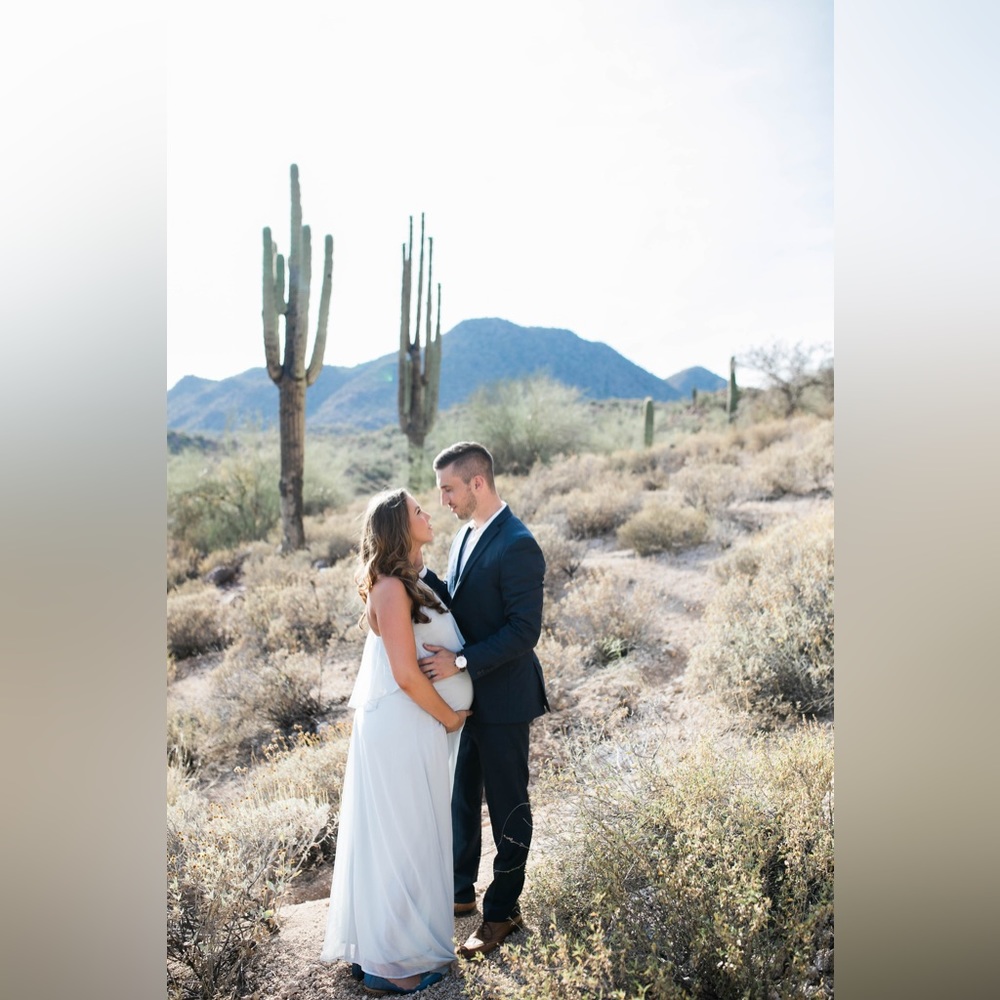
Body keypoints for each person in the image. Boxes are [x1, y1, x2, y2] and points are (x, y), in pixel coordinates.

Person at [320, 488, 473, 996]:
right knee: (403, 840)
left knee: (412, 835)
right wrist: (450, 717)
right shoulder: (389, 587)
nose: (428, 513)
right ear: (397, 528)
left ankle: (390, 949)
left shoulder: (413, 581)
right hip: (403, 725)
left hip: (414, 724)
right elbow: (406, 675)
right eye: (417, 511)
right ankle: (393, 967)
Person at [417, 441, 548, 959]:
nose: (444, 499)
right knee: (463, 793)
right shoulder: (465, 535)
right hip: (468, 696)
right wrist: (414, 573)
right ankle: (459, 890)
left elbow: (524, 631)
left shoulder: (518, 543)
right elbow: (459, 601)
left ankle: (503, 912)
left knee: (509, 804)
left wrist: (462, 662)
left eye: (448, 488)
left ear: (477, 482)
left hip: (507, 697)